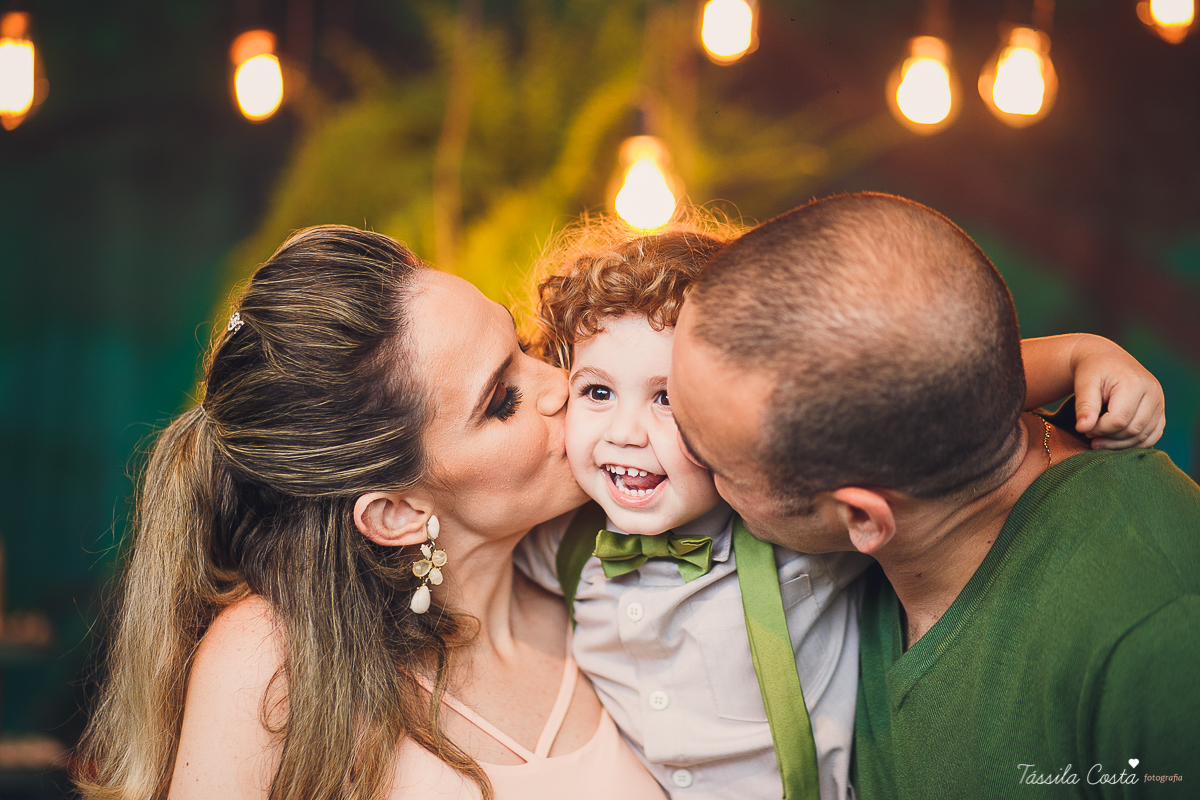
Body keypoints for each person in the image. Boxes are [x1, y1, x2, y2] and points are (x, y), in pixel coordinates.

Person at [515, 214, 1171, 800]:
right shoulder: (558, 544)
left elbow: (910, 378)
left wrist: (1078, 354)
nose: (634, 434)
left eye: (675, 408)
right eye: (598, 393)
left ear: (860, 519)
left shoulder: (1151, 638)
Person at [74, 226, 668, 800]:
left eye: (521, 347)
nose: (560, 384)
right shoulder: (273, 660)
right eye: (501, 401)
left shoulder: (607, 582)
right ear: (395, 513)